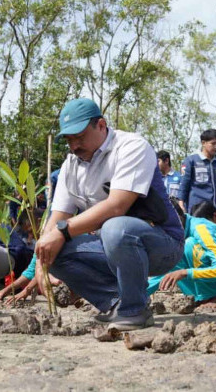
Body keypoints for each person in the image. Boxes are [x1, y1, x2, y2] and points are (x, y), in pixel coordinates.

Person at [34, 98, 184, 331]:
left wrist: (62, 231)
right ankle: (119, 302)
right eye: (69, 140)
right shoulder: (70, 166)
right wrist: (40, 260)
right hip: (110, 246)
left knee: (116, 227)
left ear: (101, 125)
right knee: (53, 251)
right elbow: (58, 215)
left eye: (80, 137)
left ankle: (134, 310)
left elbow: (117, 206)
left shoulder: (131, 147)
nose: (74, 146)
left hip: (161, 244)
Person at [149, 199, 216, 308]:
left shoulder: (200, 228)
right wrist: (137, 295)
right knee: (173, 255)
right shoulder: (180, 233)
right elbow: (165, 272)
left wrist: (185, 273)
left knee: (189, 245)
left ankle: (213, 297)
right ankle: (201, 298)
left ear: (177, 219)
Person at [178, 129, 216, 212]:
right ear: (203, 143)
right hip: (197, 210)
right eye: (213, 143)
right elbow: (184, 184)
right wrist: (181, 203)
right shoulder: (190, 161)